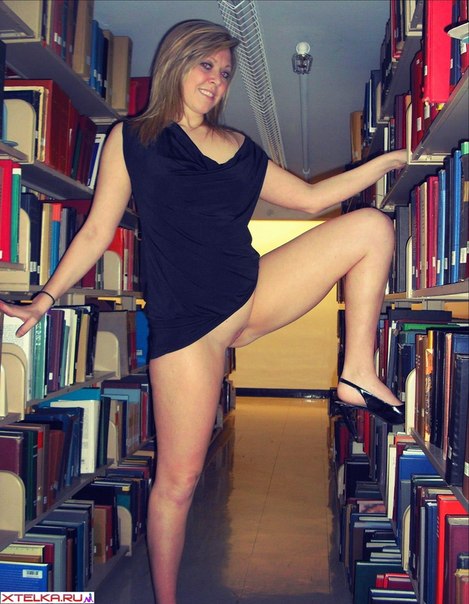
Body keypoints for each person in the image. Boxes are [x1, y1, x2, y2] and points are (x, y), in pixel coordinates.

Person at [0, 19, 407, 604]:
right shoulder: (132, 138)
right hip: (190, 326)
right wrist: (45, 298)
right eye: (206, 65)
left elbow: (314, 198)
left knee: (371, 227)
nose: (216, 80)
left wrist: (387, 161)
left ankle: (357, 372)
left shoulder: (239, 146)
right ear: (176, 61)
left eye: (225, 72)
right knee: (179, 481)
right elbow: (94, 233)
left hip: (250, 291)